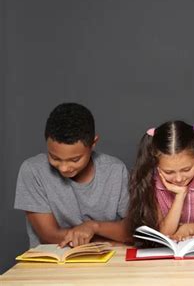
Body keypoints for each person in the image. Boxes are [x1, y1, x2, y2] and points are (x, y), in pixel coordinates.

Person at [14, 103, 130, 248]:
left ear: (93, 143)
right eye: (54, 158)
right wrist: (110, 241)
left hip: (106, 262)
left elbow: (131, 230)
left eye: (75, 160)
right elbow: (48, 235)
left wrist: (93, 227)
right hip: (52, 263)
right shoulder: (33, 170)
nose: (64, 168)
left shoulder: (115, 170)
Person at [127, 120, 194, 242]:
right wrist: (180, 195)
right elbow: (165, 232)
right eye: (169, 172)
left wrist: (189, 229)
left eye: (186, 169)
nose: (179, 179)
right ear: (156, 164)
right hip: (167, 251)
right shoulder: (150, 182)